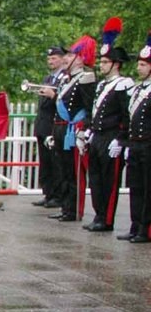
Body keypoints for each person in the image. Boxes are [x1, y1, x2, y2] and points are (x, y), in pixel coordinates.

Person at [82, 36, 133, 233]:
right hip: (98, 136)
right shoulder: (102, 85)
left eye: (105, 62)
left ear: (116, 64)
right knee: (95, 179)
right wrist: (89, 130)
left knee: (109, 181)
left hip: (112, 136)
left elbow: (126, 115)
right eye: (101, 61)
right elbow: (94, 111)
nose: (101, 65)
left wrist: (121, 139)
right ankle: (98, 214)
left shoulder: (123, 85)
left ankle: (107, 218)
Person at [50, 37, 97, 223]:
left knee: (74, 172)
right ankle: (65, 207)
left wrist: (84, 129)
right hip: (62, 129)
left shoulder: (86, 78)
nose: (66, 58)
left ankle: (74, 210)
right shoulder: (67, 79)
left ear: (80, 58)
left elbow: (89, 107)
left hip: (73, 130)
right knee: (63, 170)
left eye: (70, 55)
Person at [118, 38, 151, 243]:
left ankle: (145, 228)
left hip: (148, 143)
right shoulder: (138, 89)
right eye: (139, 64)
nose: (139, 68)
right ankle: (135, 223)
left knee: (148, 188)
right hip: (136, 143)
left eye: (143, 64)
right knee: (135, 186)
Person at [31, 46, 68, 208]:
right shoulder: (48, 78)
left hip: (53, 125)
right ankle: (48, 193)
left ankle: (58, 195)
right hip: (43, 125)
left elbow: (63, 102)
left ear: (62, 59)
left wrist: (53, 96)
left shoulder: (64, 78)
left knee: (55, 162)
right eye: (49, 59)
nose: (51, 62)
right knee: (45, 162)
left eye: (54, 58)